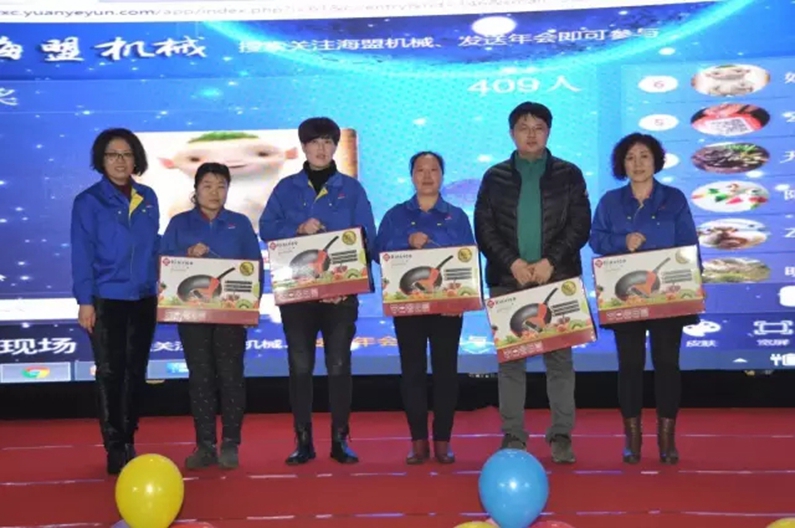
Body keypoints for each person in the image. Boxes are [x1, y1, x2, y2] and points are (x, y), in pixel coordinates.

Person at [473, 102, 591, 463]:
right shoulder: (494, 177)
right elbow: (484, 228)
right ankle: (513, 434)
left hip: (557, 278)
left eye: (538, 127)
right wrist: (513, 262)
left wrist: (549, 261)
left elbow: (580, 225)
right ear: (512, 133)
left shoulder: (569, 174)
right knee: (511, 364)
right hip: (508, 280)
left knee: (560, 362)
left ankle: (561, 435)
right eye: (523, 127)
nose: (531, 134)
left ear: (548, 132)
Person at [259, 117, 377, 465]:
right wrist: (297, 227)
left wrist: (346, 284)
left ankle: (340, 439)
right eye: (315, 142)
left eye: (328, 142)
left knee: (339, 365)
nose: (321, 148)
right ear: (304, 147)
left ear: (335, 147)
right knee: (300, 366)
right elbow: (266, 227)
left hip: (340, 298)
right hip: (298, 295)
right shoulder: (286, 188)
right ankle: (303, 441)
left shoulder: (351, 189)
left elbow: (367, 238)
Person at [589, 132, 699, 465]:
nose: (637, 163)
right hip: (626, 297)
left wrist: (696, 286)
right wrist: (622, 241)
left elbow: (689, 244)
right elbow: (596, 239)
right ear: (621, 164)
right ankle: (632, 440)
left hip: (668, 296)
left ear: (656, 161)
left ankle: (667, 440)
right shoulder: (610, 201)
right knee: (630, 366)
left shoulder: (674, 199)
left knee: (667, 365)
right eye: (630, 157)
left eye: (644, 156)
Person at [161, 162, 264, 470]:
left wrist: (251, 306)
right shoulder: (179, 223)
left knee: (231, 376)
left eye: (221, 186)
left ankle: (230, 442)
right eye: (207, 185)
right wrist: (185, 256)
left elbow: (254, 268)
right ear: (195, 189)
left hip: (230, 314)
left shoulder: (240, 224)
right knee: (201, 377)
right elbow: (163, 264)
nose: (214, 192)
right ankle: (205, 445)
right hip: (192, 314)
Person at [375, 151, 475, 465]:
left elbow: (468, 259)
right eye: (420, 170)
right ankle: (418, 441)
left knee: (446, 373)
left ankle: (443, 440)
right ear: (412, 176)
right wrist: (407, 240)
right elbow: (378, 252)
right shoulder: (395, 216)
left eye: (434, 170)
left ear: (442, 175)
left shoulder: (457, 217)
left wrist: (461, 300)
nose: (427, 176)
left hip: (447, 309)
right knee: (412, 373)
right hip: (408, 307)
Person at [71, 128, 161, 475]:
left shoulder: (148, 197)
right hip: (106, 299)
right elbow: (82, 254)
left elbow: (154, 245)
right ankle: (114, 444)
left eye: (126, 154)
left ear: (136, 159)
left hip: (144, 298)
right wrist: (85, 301)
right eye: (112, 155)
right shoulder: (88, 202)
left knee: (136, 373)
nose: (120, 161)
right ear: (101, 160)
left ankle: (129, 436)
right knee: (110, 373)